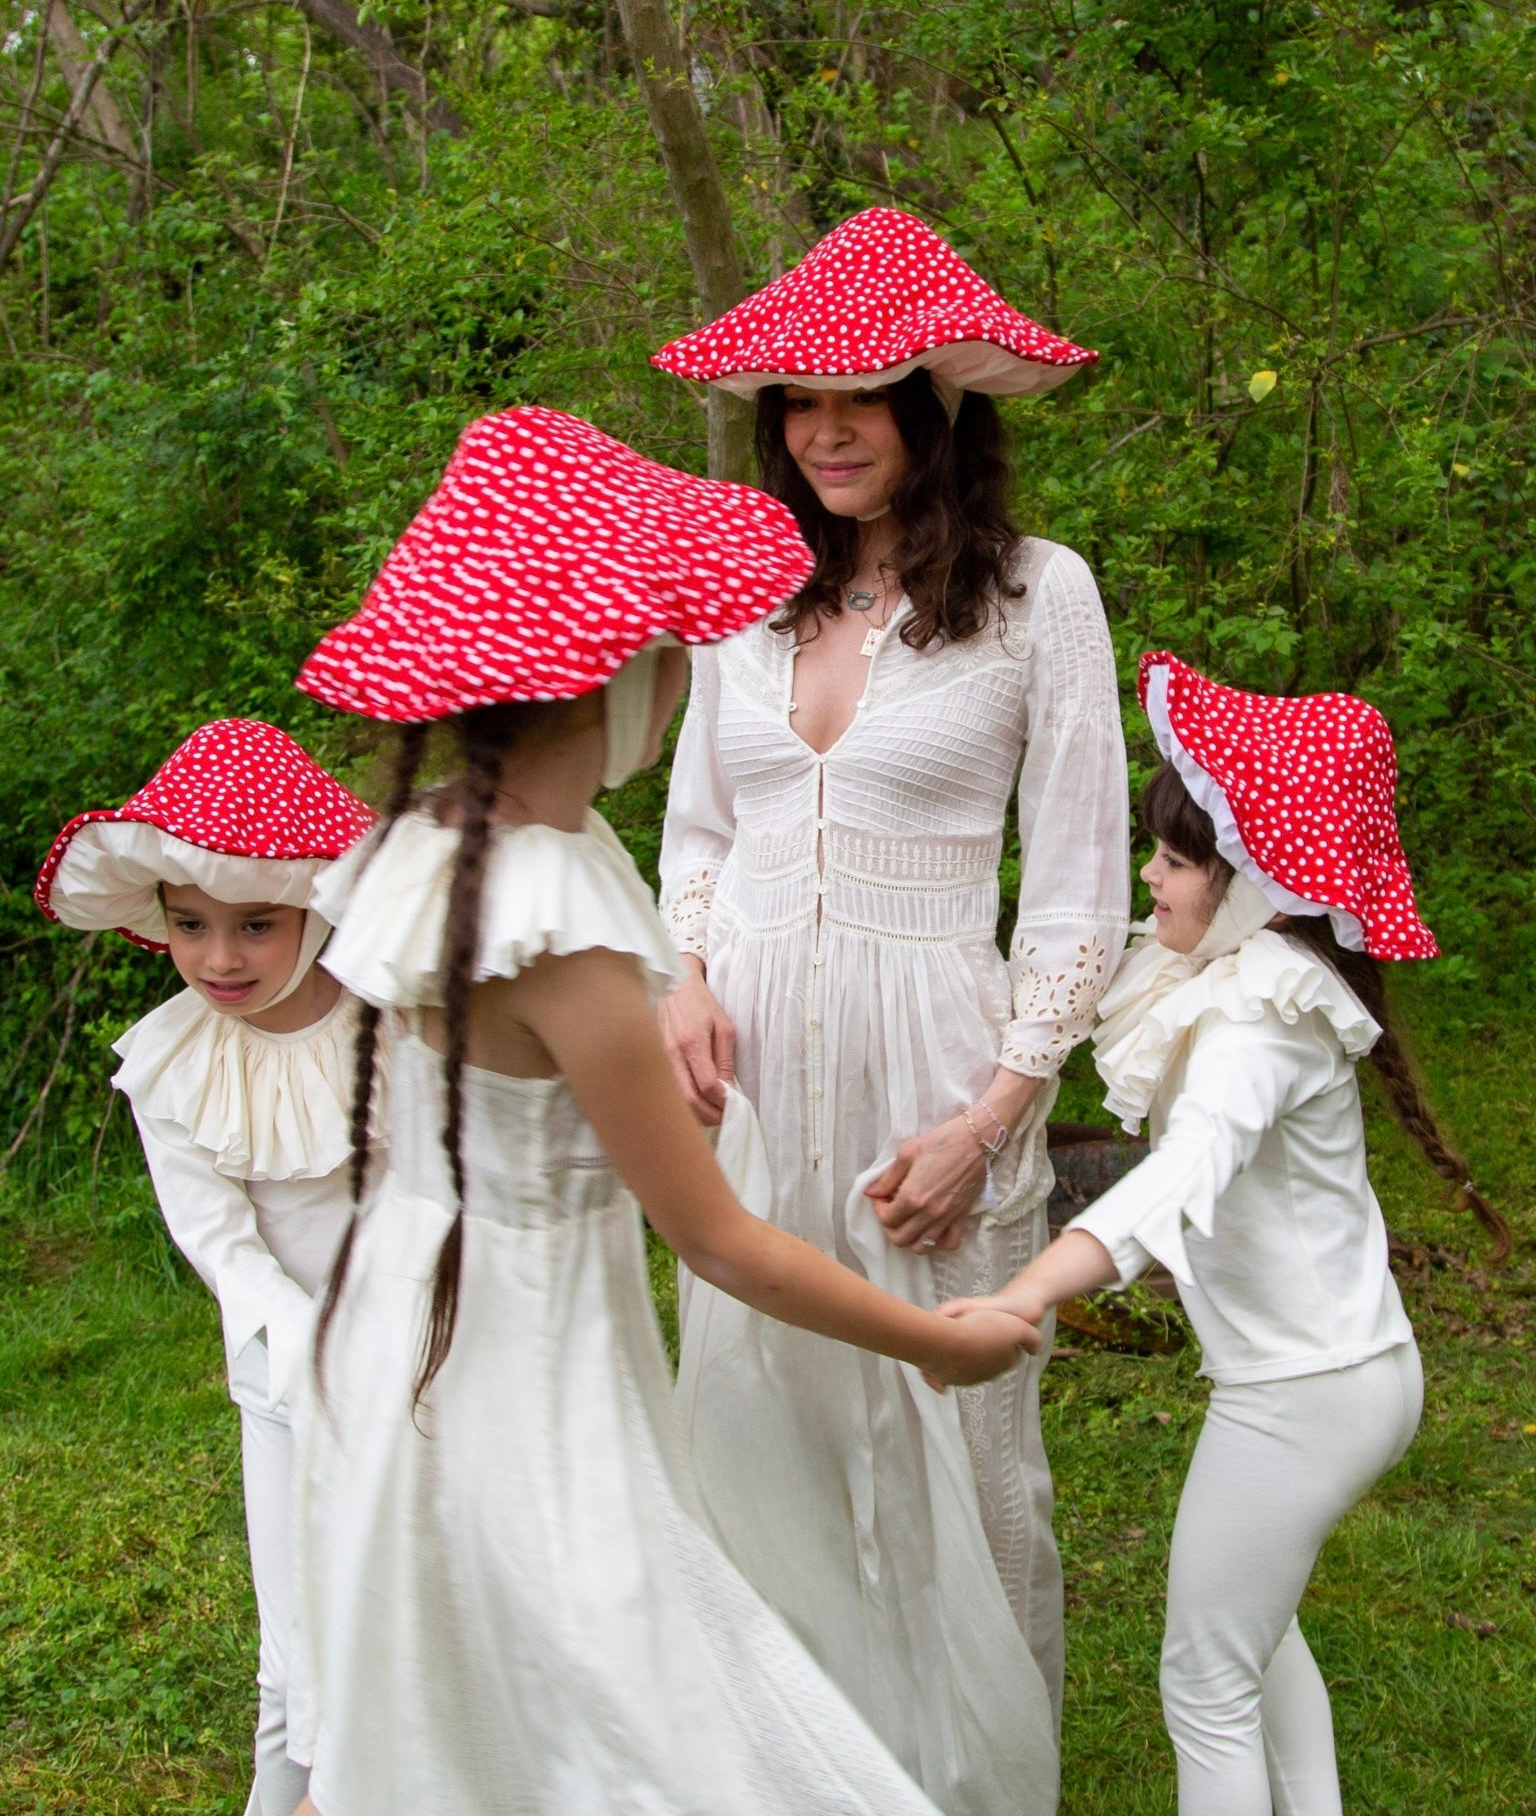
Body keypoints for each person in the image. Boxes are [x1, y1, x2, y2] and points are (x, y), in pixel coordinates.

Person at [282, 406, 1039, 1816]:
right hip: (524, 1362)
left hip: (397, 1321)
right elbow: (720, 1239)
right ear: (620, 677)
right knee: (644, 1707)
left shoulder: (415, 850)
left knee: (437, 1681)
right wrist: (937, 1338)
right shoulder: (563, 930)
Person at [651, 205, 1129, 1804]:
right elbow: (702, 831)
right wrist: (685, 978)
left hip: (942, 1054)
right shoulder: (743, 595)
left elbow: (1074, 886)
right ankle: (794, 1766)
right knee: (759, 1410)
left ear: (939, 408)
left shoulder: (1036, 594)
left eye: (863, 393)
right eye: (799, 396)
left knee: (966, 1439)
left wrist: (1000, 1111)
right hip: (755, 1068)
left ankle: (982, 1775)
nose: (826, 426)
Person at [943, 651, 1510, 1816]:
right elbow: (1100, 950)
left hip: (1300, 1393)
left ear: (1252, 877)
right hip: (1348, 1371)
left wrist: (1025, 1293)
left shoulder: (1256, 1019)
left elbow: (1179, 1180)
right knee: (1258, 1635)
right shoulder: (1253, 973)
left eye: (1175, 857)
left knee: (1204, 1680)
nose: (1149, 876)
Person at [34, 718, 377, 1816]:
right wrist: (302, 1343)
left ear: (317, 905)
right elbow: (221, 1240)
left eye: (255, 925)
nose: (220, 957)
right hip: (282, 1378)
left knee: (400, 1627)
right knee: (294, 1657)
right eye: (189, 923)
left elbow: (433, 1194)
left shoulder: (394, 1030)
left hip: (416, 1363)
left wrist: (392, 1331)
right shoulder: (172, 1061)